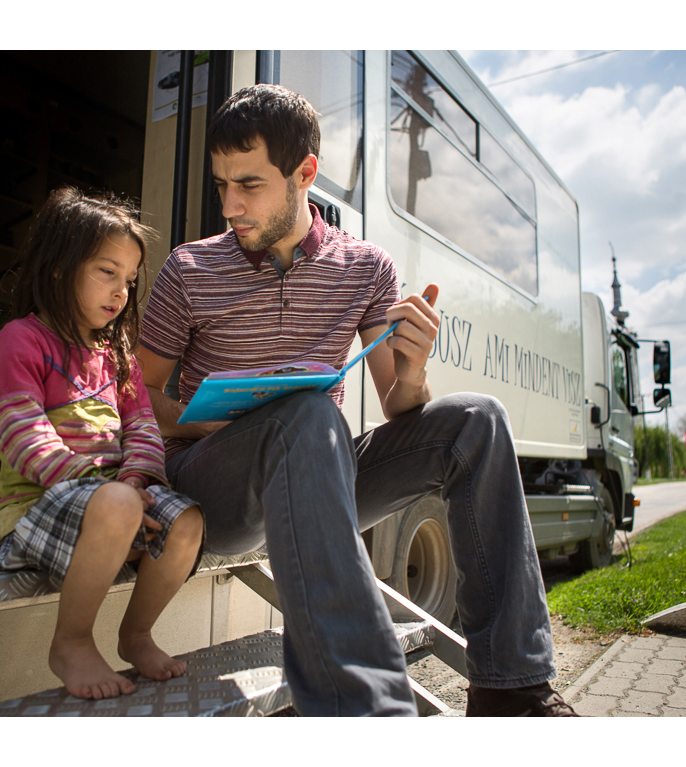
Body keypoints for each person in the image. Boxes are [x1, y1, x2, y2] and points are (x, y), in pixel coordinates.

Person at [136, 84, 577, 716]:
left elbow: (400, 405)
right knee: (309, 415)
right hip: (217, 485)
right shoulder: (189, 270)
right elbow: (137, 395)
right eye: (222, 184)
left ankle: (515, 692)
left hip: (321, 469)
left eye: (250, 185)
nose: (231, 204)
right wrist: (211, 422)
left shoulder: (365, 268)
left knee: (477, 419)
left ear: (305, 174)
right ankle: (363, 713)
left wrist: (417, 369)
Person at [0, 187, 204, 701]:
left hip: (107, 508)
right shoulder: (21, 340)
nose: (121, 292)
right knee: (116, 501)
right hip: (31, 515)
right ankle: (71, 642)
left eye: (130, 280)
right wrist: (113, 495)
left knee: (188, 522)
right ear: (62, 267)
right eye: (107, 272)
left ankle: (135, 635)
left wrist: (136, 483)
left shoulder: (118, 355)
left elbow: (143, 429)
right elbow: (24, 438)